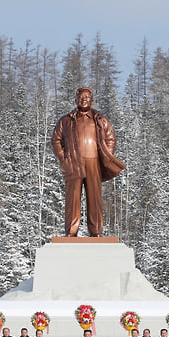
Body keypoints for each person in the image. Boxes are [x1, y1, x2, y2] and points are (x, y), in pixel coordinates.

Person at [50, 86, 124, 237]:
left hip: (93, 162)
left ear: (92, 100)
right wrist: (64, 159)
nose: (83, 100)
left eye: (86, 97)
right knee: (73, 197)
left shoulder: (99, 119)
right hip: (73, 162)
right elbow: (56, 140)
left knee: (94, 196)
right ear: (76, 99)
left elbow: (111, 137)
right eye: (80, 97)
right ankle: (71, 231)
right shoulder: (66, 120)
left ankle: (96, 230)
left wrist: (106, 156)